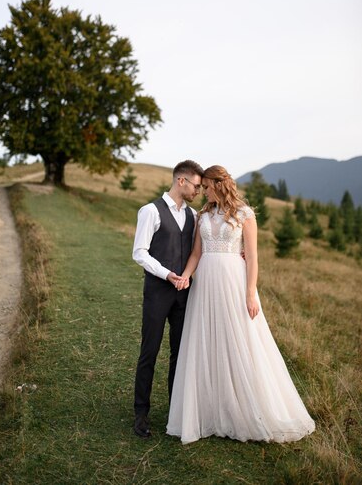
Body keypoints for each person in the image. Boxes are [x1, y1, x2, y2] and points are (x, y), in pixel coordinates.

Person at [167, 165, 315, 444]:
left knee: (240, 338)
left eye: (207, 187)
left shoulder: (245, 215)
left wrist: (250, 293)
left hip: (234, 282)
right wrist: (185, 277)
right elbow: (197, 252)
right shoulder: (203, 215)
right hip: (206, 284)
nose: (203, 192)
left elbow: (254, 258)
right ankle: (210, 409)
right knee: (208, 340)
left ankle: (247, 407)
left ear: (219, 185)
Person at [132, 160, 204, 438]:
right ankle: (141, 414)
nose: (199, 190)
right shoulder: (150, 211)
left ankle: (175, 412)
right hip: (157, 293)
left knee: (180, 354)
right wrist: (167, 275)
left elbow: (200, 251)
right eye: (196, 185)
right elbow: (139, 252)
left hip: (184, 296)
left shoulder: (194, 215)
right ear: (181, 181)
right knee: (149, 352)